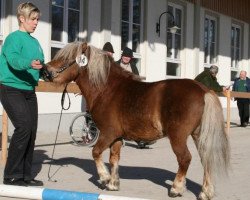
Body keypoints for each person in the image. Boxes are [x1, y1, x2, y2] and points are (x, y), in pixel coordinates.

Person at [0, 2, 44, 186]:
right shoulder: (13, 38)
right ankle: (11, 175)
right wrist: (29, 63)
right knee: (24, 126)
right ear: (22, 18)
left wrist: (48, 72)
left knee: (31, 131)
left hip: (29, 90)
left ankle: (25, 176)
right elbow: (14, 60)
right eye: (33, 19)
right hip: (11, 88)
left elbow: (40, 65)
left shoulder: (35, 42)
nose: (36, 23)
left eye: (37, 20)